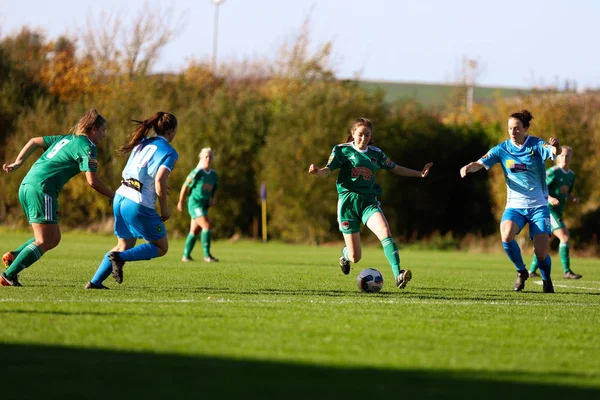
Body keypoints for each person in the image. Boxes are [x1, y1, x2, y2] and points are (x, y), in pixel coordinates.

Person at [308, 117, 433, 289]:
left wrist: (419, 174)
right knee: (355, 257)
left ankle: (398, 274)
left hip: (368, 202)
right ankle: (345, 255)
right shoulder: (341, 150)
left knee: (385, 230)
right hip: (348, 205)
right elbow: (326, 172)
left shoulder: (376, 153)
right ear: (353, 134)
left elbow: (396, 168)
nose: (363, 139)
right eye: (360, 135)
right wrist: (316, 172)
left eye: (367, 135)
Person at [1, 109, 115, 287]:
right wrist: (113, 195)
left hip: (27, 185)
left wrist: (18, 162)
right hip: (42, 189)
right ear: (93, 129)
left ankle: (15, 256)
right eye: (103, 130)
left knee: (53, 237)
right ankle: (8, 275)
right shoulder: (88, 147)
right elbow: (92, 181)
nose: (104, 135)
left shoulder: (67, 139)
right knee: (44, 240)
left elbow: (34, 141)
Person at [460, 109, 560, 293]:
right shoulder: (502, 149)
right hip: (515, 206)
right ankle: (521, 272)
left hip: (538, 206)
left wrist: (557, 148)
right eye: (510, 129)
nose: (513, 132)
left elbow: (553, 151)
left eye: (516, 128)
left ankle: (547, 280)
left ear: (525, 128)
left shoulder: (536, 144)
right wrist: (468, 167)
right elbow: (480, 163)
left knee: (541, 253)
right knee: (506, 235)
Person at [85, 112, 178, 289]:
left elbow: (142, 174)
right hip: (137, 202)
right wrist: (165, 208)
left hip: (120, 196)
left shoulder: (142, 142)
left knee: (124, 244)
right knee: (161, 246)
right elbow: (159, 180)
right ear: (172, 131)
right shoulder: (170, 152)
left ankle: (95, 282)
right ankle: (120, 259)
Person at [529, 146, 582, 279]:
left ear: (571, 158)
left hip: (558, 211)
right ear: (558, 157)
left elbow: (566, 192)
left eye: (567, 156)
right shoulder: (552, 172)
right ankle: (567, 271)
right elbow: (541, 188)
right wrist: (550, 198)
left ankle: (531, 271)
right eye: (562, 155)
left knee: (544, 242)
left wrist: (573, 197)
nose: (564, 158)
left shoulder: (571, 175)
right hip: (548, 210)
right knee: (564, 237)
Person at [177, 147, 219, 263]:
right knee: (207, 226)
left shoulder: (214, 175)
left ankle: (186, 256)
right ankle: (207, 255)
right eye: (206, 156)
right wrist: (180, 201)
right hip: (194, 204)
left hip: (204, 206)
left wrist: (213, 199)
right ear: (201, 158)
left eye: (210, 156)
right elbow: (185, 186)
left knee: (194, 231)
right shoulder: (197, 172)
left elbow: (215, 188)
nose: (208, 158)